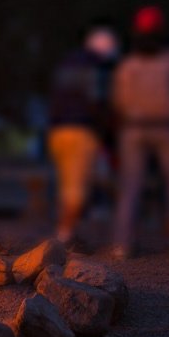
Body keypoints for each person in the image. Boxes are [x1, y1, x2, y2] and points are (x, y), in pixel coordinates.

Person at [112, 6, 169, 261]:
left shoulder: (128, 64)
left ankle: (123, 246)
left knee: (130, 188)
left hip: (134, 129)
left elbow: (119, 100)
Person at [48, 26, 119, 249]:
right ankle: (63, 237)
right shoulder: (96, 68)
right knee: (76, 190)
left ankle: (69, 232)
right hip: (81, 131)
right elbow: (96, 102)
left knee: (69, 184)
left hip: (58, 132)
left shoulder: (66, 64)